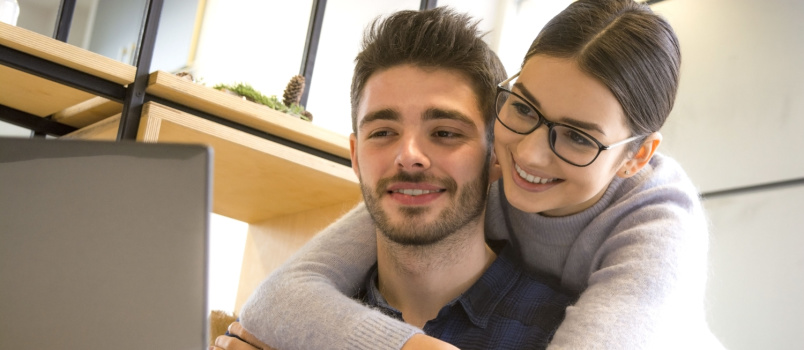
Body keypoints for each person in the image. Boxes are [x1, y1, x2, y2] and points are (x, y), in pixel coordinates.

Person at [239, 0, 725, 349]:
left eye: (578, 137)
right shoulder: (486, 170)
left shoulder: (658, 228)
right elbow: (279, 297)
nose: (528, 155)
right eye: (524, 109)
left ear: (636, 157)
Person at [211, 7, 575, 350]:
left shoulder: (560, 333)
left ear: (496, 155)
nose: (409, 156)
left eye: (445, 133)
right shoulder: (282, 329)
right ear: (356, 156)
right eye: (383, 132)